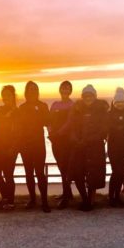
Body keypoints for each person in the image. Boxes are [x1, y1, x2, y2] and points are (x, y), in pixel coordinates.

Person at [67, 85, 109, 211]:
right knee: (77, 173)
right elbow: (72, 127)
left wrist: (88, 140)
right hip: (78, 146)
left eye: (90, 95)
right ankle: (84, 199)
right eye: (85, 95)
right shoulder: (77, 109)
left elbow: (104, 129)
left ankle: (90, 201)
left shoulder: (102, 109)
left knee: (93, 175)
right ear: (82, 97)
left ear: (95, 96)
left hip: (95, 146)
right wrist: (76, 139)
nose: (88, 98)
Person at [17, 81, 51, 213]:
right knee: (28, 173)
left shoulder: (43, 106)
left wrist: (53, 136)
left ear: (37, 92)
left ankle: (44, 201)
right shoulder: (22, 107)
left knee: (40, 173)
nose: (32, 91)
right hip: (25, 144)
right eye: (30, 89)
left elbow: (48, 122)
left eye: (35, 89)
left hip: (38, 144)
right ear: (26, 92)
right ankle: (32, 199)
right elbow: (18, 127)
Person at [0, 85, 19, 210]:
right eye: (4, 95)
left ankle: (10, 202)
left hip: (10, 147)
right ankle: (5, 197)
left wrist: (14, 147)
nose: (6, 97)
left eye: (8, 95)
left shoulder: (18, 112)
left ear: (13, 96)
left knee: (8, 174)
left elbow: (20, 132)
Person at [49, 81, 75, 209]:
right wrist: (50, 131)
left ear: (70, 91)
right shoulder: (55, 104)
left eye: (67, 88)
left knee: (66, 168)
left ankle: (66, 197)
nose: (65, 90)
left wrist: (58, 133)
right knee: (60, 167)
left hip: (66, 140)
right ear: (60, 89)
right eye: (63, 88)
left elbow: (70, 122)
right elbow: (49, 120)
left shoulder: (73, 105)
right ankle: (68, 192)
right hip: (55, 140)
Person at [106, 87, 124, 207]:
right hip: (113, 148)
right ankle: (111, 196)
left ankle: (117, 196)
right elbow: (106, 131)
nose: (120, 104)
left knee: (122, 173)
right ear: (114, 103)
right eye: (118, 102)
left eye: (122, 102)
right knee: (116, 172)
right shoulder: (109, 114)